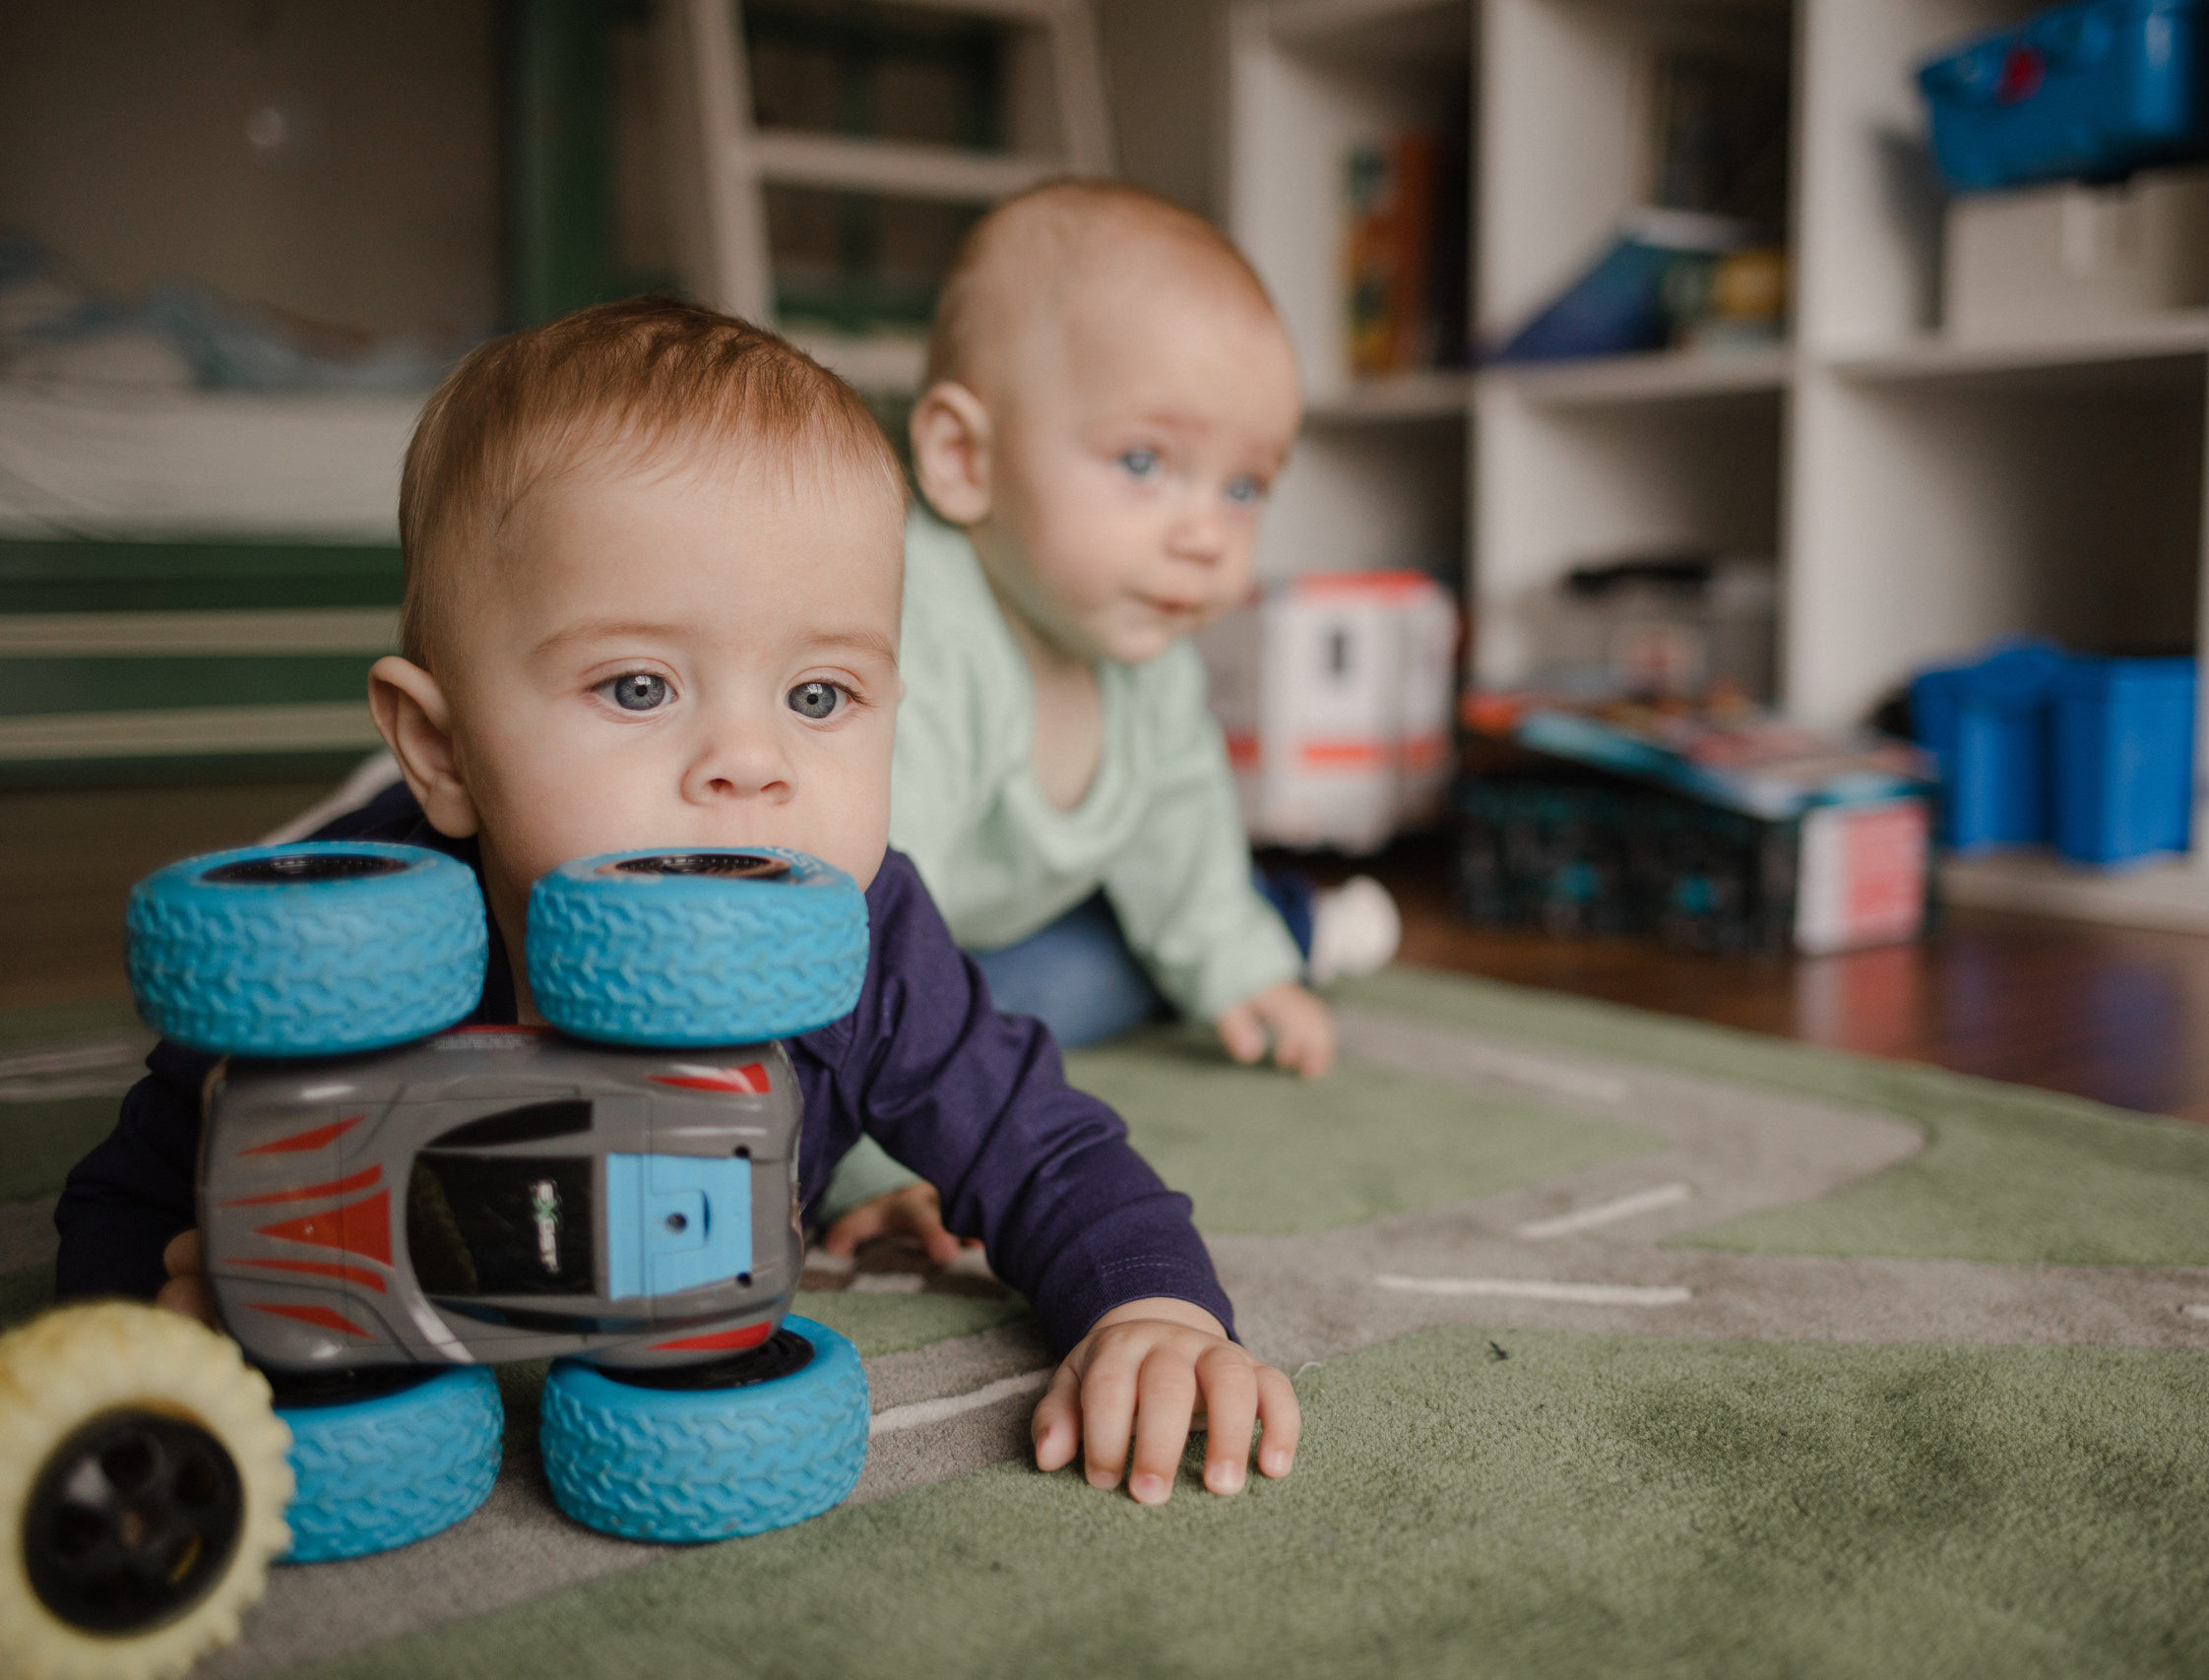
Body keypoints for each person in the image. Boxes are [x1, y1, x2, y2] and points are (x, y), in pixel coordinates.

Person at [52, 297, 1297, 1507]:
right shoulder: (331, 963)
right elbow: (128, 1191)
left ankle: (1285, 921)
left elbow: (1050, 1148)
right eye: (641, 686)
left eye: (819, 698)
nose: (749, 764)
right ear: (441, 749)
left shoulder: (868, 938)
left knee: (1057, 990)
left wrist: (1153, 1311)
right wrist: (157, 1308)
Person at [817, 181, 1401, 1260]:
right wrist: (868, 1154)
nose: (1204, 535)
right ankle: (1301, 921)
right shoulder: (918, 638)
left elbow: (1180, 820)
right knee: (1041, 995)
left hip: (995, 926)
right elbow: (854, 953)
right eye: (1144, 463)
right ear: (963, 460)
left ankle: (1276, 931)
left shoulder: (1145, 649)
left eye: (1243, 488)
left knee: (1134, 962)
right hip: (849, 943)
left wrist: (1236, 969)